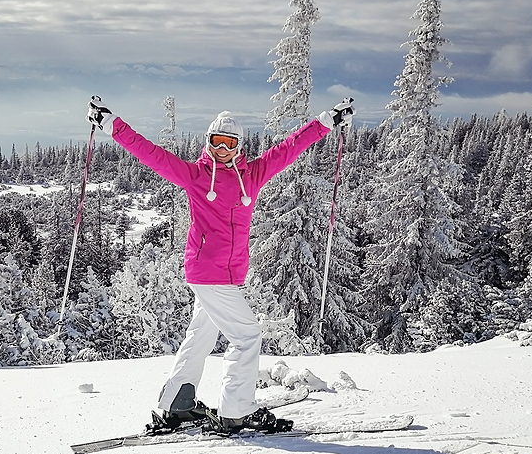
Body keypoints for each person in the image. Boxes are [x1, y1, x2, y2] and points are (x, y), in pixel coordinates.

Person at [86, 95, 354, 434]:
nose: (223, 148)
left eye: (230, 143)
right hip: (208, 272)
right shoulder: (196, 175)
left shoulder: (252, 175)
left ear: (239, 147)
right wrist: (112, 125)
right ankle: (236, 410)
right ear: (209, 142)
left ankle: (176, 402)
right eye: (217, 141)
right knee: (247, 336)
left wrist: (326, 122)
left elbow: (290, 148)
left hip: (226, 276)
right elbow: (150, 153)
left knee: (202, 333)